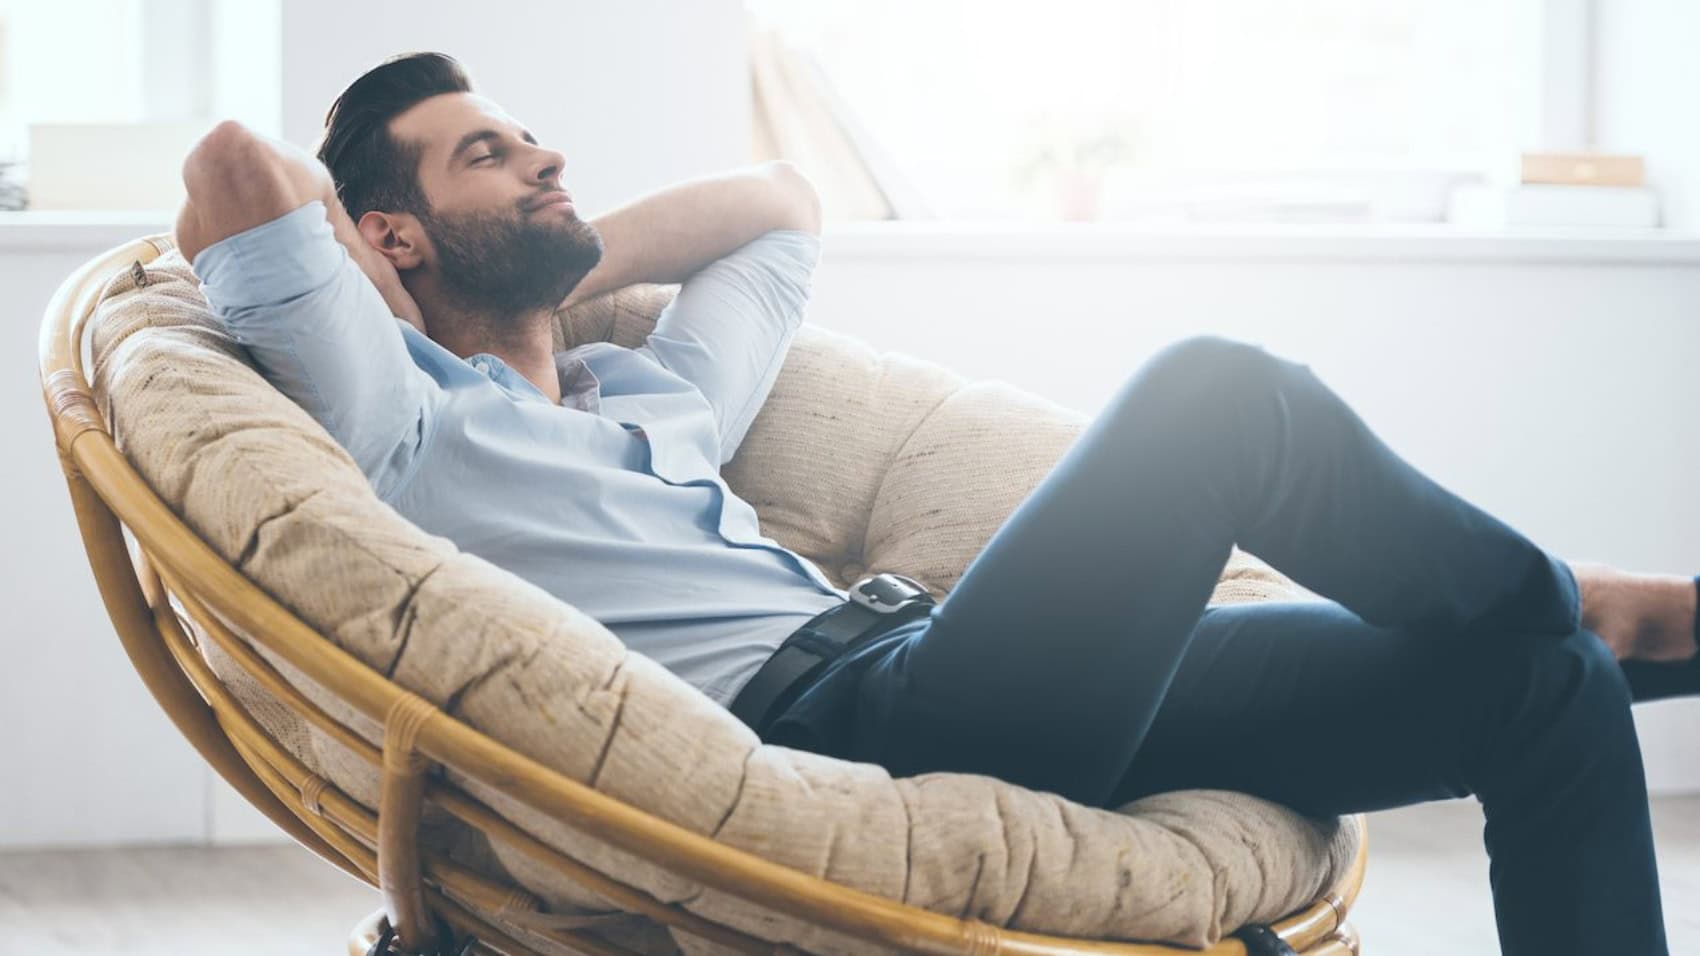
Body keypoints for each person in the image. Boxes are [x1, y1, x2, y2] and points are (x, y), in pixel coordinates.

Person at [173, 51, 1697, 956]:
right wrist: (389, 288)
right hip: (846, 728)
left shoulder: (652, 395)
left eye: (531, 139)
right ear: (388, 237)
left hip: (952, 667)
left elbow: (781, 206)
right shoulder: (405, 423)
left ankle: (1557, 623)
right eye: (489, 156)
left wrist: (556, 260)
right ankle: (1573, 590)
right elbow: (234, 168)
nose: (546, 156)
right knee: (1220, 393)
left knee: (1539, 690)